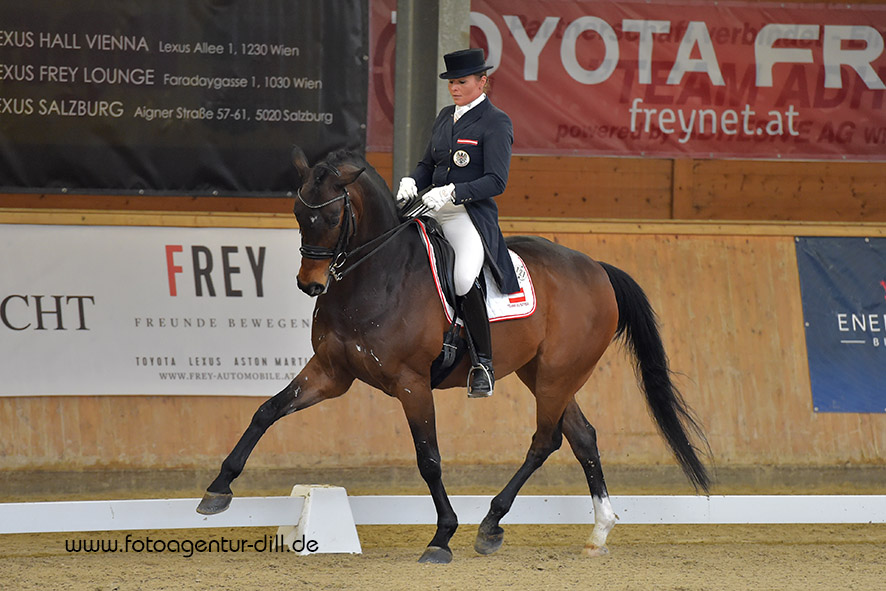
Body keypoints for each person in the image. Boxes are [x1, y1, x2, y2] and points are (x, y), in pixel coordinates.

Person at [396, 48, 519, 398]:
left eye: (461, 82)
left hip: (466, 213)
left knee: (464, 278)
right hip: (430, 205)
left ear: (483, 81)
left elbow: (497, 181)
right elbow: (426, 163)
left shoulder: (496, 122)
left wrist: (453, 191)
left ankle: (483, 364)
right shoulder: (444, 116)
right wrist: (413, 181)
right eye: (451, 82)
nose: (454, 88)